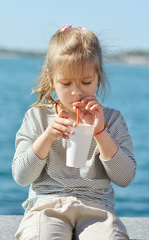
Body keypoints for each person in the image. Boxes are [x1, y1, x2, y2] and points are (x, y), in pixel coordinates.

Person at [12, 24, 137, 240]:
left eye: (86, 82)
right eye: (66, 82)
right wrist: (48, 136)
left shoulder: (112, 120)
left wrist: (100, 133)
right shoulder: (37, 118)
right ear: (51, 79)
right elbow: (22, 177)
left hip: (97, 207)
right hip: (46, 205)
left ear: (99, 77)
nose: (76, 91)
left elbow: (125, 177)